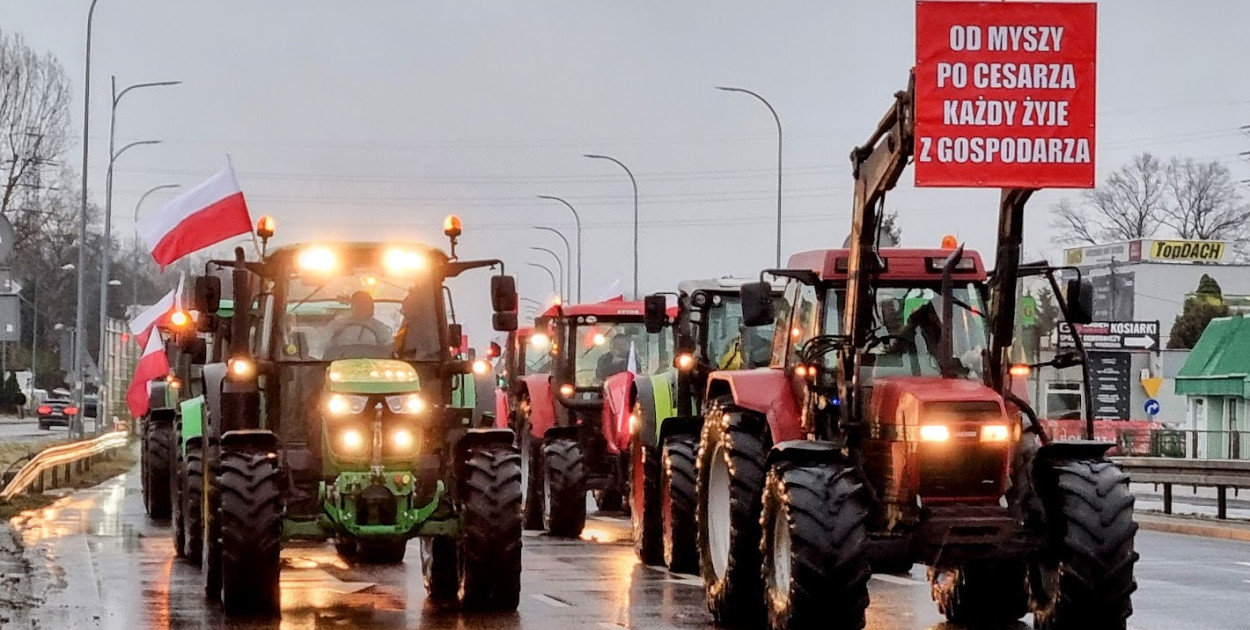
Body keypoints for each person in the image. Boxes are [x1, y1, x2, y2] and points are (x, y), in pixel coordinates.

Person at [325, 291, 393, 351]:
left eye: (364, 303)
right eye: (357, 303)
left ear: (371, 307)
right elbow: (322, 342)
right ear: (352, 306)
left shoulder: (379, 328)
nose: (361, 307)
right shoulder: (339, 323)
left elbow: (389, 350)